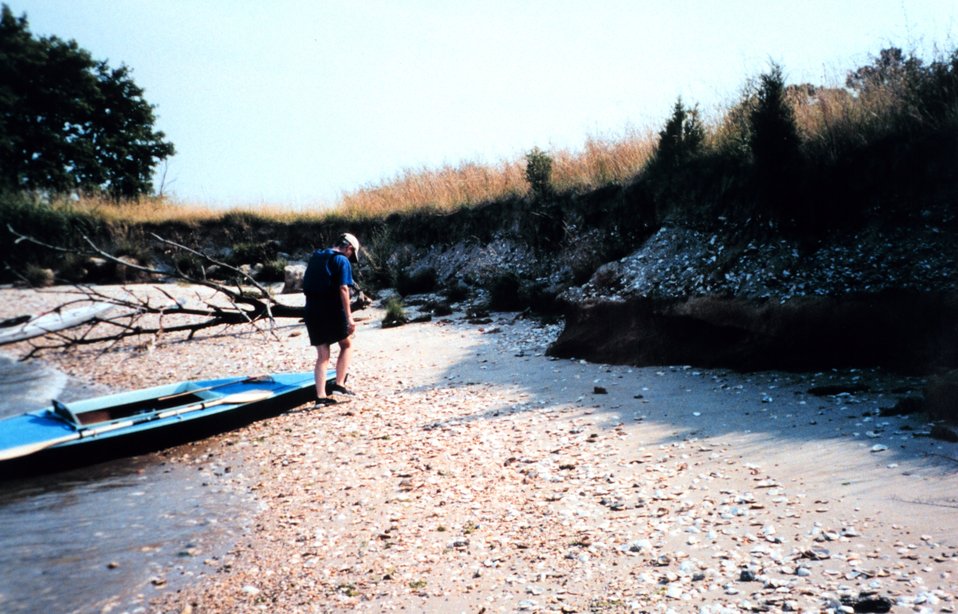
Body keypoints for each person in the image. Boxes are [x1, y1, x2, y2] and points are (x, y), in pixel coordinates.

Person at [302, 232, 360, 407]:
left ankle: (320, 397)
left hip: (311, 310)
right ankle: (339, 384)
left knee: (323, 355)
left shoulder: (315, 257)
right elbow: (343, 288)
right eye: (352, 254)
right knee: (346, 344)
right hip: (331, 310)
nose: (351, 257)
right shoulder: (342, 260)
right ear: (349, 248)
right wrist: (349, 317)